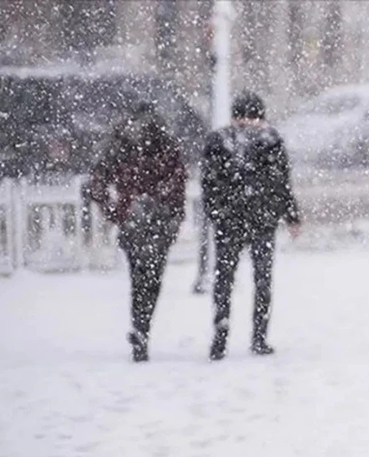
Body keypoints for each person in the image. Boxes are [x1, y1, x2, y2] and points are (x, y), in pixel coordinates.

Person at [202, 91, 301, 361]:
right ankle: (259, 336)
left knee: (224, 279)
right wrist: (290, 215)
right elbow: (281, 183)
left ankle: (220, 334)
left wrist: (217, 213)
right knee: (262, 280)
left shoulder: (218, 140)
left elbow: (209, 183)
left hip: (230, 222)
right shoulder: (270, 140)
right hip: (262, 221)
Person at [84, 101, 186, 362]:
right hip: (157, 220)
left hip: (134, 220)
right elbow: (177, 186)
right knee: (151, 279)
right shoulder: (165, 145)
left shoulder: (121, 143)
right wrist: (173, 215)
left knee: (139, 278)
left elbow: (97, 182)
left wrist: (115, 210)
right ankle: (143, 327)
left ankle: (140, 328)